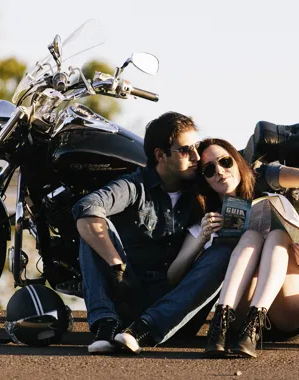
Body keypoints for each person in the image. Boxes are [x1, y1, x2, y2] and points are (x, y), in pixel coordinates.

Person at [167, 138, 299, 358]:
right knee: (251, 237)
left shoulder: (276, 202)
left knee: (276, 235)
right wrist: (202, 240)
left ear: (237, 163)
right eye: (209, 169)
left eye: (225, 161)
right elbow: (173, 275)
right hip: (239, 317)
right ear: (205, 180)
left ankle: (253, 325)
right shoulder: (207, 222)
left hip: (290, 310)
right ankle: (220, 326)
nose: (220, 171)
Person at [72, 112, 235, 355]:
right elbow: (86, 208)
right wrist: (116, 265)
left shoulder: (204, 184)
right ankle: (106, 326)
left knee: (224, 250)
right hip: (129, 297)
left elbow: (250, 173)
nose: (196, 157)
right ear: (160, 155)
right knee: (93, 224)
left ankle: (143, 330)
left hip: (177, 311)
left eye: (197, 147)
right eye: (185, 150)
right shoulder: (133, 186)